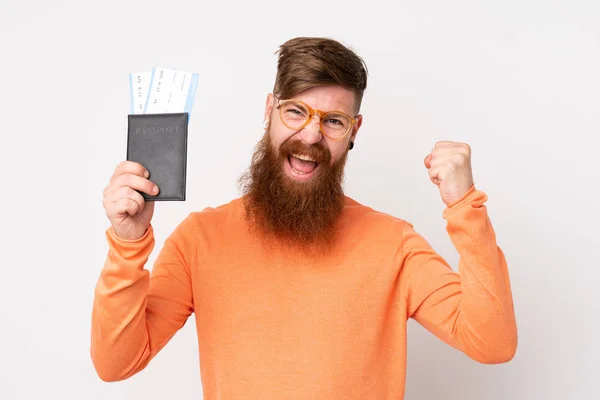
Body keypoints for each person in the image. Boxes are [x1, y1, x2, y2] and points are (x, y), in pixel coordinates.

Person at [91, 37, 517, 399]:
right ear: (269, 110)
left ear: (355, 130)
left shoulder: (394, 244)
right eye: (296, 112)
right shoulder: (200, 240)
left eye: (333, 121)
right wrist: (128, 245)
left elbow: (492, 342)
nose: (311, 136)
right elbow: (117, 364)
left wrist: (465, 209)